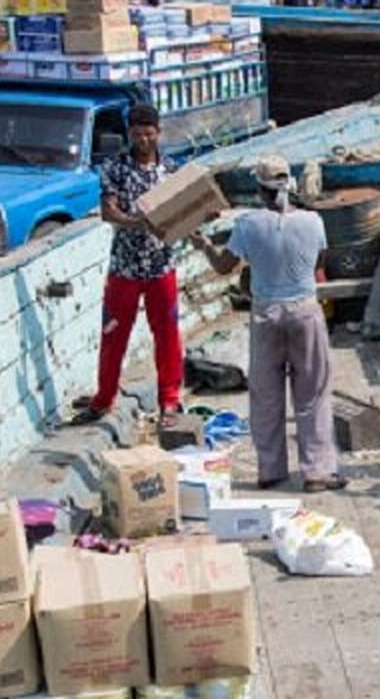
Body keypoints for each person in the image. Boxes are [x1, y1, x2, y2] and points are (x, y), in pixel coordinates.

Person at [191, 155, 346, 492]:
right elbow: (318, 261)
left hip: (265, 314)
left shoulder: (248, 224)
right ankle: (317, 471)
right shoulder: (313, 222)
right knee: (313, 395)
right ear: (289, 185)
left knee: (266, 396)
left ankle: (271, 469)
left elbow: (222, 266)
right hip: (305, 311)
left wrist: (204, 245)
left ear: (259, 190)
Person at [72, 105, 183, 426]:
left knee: (167, 335)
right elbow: (110, 212)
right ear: (129, 134)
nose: (144, 141)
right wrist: (140, 223)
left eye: (149, 134)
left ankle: (170, 401)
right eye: (137, 135)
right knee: (113, 335)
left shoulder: (172, 170)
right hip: (125, 268)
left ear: (158, 132)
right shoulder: (115, 168)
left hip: (162, 265)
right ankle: (103, 399)